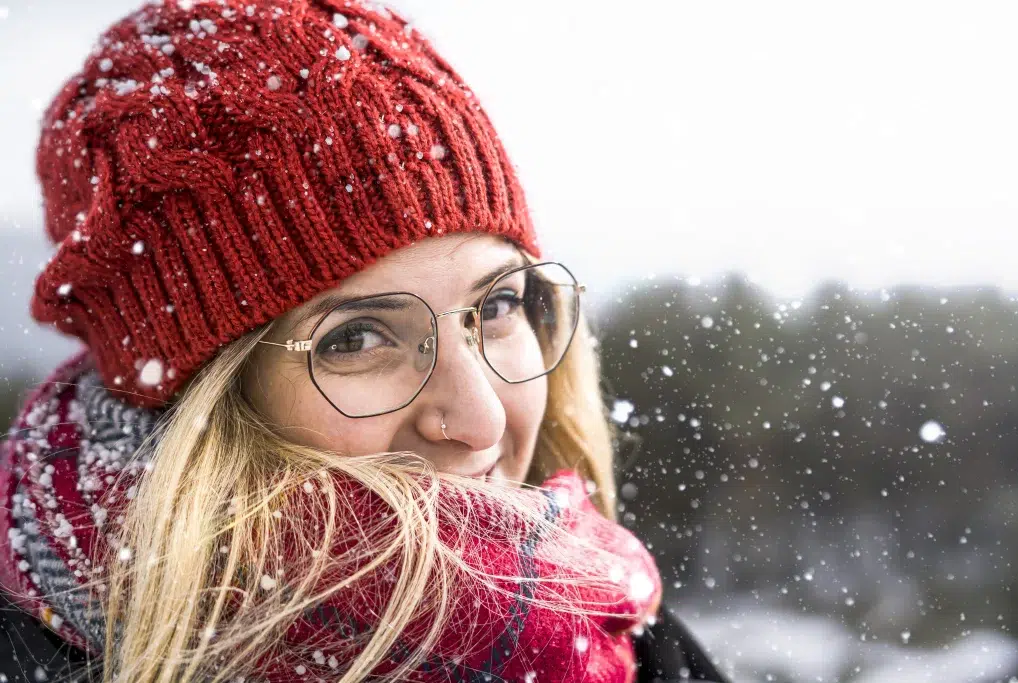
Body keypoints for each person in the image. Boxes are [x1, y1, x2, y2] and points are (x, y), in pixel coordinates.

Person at [0, 1, 729, 681]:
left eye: (499, 304)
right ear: (197, 409)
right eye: (356, 338)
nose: (481, 419)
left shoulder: (625, 641)